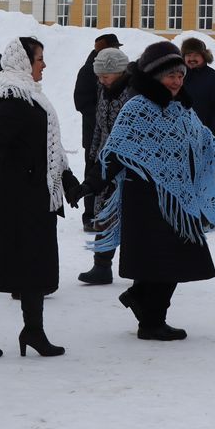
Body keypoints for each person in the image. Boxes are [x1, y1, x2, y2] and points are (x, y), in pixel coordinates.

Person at [94, 41, 215, 340]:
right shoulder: (137, 108)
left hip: (175, 197)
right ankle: (151, 322)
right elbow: (116, 151)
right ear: (154, 76)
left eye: (180, 75)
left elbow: (208, 143)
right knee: (161, 261)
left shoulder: (180, 109)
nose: (177, 81)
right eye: (171, 76)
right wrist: (92, 185)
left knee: (177, 258)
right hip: (143, 197)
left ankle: (139, 298)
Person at [0, 37, 84, 359]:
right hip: (9, 199)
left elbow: (49, 149)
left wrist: (69, 183)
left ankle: (33, 331)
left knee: (33, 264)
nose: (44, 65)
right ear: (25, 62)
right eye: (40, 58)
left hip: (31, 196)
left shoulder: (32, 98)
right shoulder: (14, 99)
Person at [76, 46, 131, 285]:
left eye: (105, 75)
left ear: (119, 72)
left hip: (127, 166)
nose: (101, 79)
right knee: (103, 212)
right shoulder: (104, 89)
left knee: (129, 218)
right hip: (104, 160)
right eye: (99, 75)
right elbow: (99, 125)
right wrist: (93, 155)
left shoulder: (133, 94)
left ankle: (138, 268)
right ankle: (101, 266)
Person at [75, 33, 122, 230]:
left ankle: (110, 212)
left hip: (113, 136)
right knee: (93, 172)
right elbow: (81, 102)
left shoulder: (118, 69)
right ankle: (90, 215)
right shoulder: (88, 71)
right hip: (94, 135)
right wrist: (103, 120)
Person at [180, 36, 215, 141]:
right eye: (188, 55)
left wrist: (212, 131)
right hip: (180, 135)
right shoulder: (178, 77)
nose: (192, 59)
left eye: (196, 55)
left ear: (204, 56)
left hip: (206, 135)